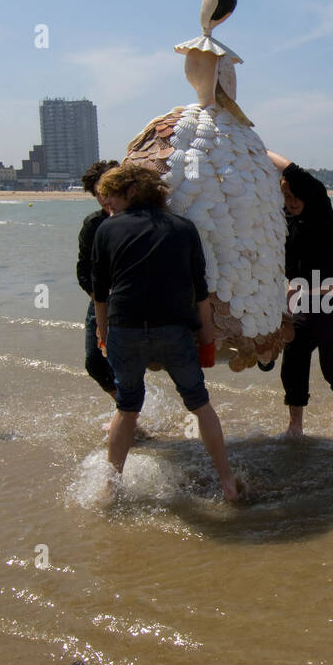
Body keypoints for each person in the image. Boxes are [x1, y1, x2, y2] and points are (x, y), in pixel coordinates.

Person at [91, 163, 242, 501]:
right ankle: (228, 483)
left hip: (125, 329)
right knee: (200, 405)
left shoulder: (106, 230)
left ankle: (109, 489)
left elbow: (100, 295)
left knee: (127, 408)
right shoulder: (184, 228)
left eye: (113, 196)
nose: (109, 204)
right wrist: (207, 339)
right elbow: (199, 292)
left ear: (131, 191)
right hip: (174, 331)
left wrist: (103, 335)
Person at [265, 150, 333, 436]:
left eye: (295, 195)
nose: (291, 202)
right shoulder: (283, 221)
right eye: (285, 197)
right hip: (297, 304)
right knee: (292, 368)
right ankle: (295, 425)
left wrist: (257, 148)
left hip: (330, 303)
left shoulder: (321, 212)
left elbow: (296, 173)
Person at [76, 159, 119, 395]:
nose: (104, 198)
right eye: (98, 194)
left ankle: (128, 415)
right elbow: (83, 270)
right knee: (95, 363)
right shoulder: (93, 224)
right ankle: (128, 410)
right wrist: (100, 300)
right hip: (102, 300)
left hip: (136, 301)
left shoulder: (143, 219)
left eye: (108, 191)